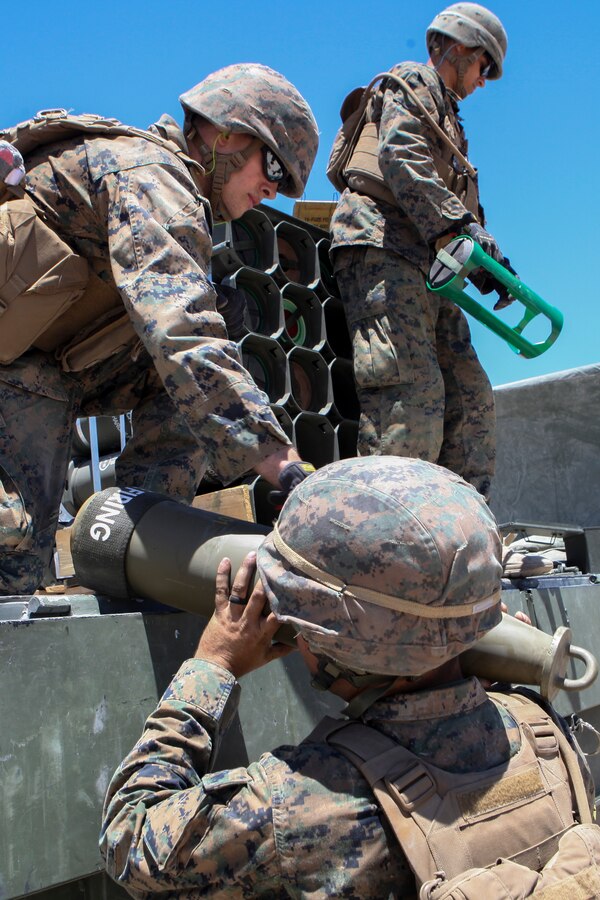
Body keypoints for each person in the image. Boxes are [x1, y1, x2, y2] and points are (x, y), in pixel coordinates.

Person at [100, 456, 595, 897]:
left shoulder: (309, 803)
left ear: (337, 646)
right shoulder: (540, 727)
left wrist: (213, 664)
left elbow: (130, 840)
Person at [0, 63, 319, 595]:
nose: (273, 189)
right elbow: (182, 335)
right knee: (11, 552)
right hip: (20, 372)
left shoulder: (178, 198)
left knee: (211, 341)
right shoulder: (149, 174)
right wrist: (284, 466)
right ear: (226, 133)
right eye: (274, 168)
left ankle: (143, 536)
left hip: (43, 370)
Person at [329, 3, 514, 500]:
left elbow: (444, 198)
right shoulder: (411, 81)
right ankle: (386, 530)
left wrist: (484, 263)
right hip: (383, 248)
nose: (483, 81)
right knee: (409, 399)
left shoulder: (452, 120)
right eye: (482, 67)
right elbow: (401, 157)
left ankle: (457, 528)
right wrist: (459, 228)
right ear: (457, 49)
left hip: (431, 265)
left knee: (471, 401)